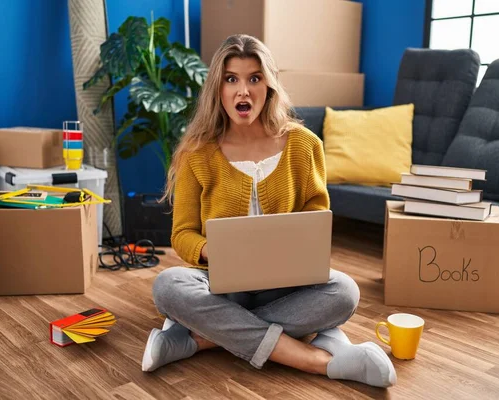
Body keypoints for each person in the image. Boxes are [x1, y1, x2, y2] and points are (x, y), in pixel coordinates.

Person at [142, 34, 396, 388]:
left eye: (254, 78)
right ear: (218, 88)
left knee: (345, 292)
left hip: (286, 286)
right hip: (221, 286)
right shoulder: (196, 154)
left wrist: (298, 250)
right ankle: (316, 360)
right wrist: (214, 249)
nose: (243, 91)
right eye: (231, 79)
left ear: (270, 86)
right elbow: (182, 235)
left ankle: (201, 339)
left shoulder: (304, 145)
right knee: (168, 285)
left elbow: (316, 221)